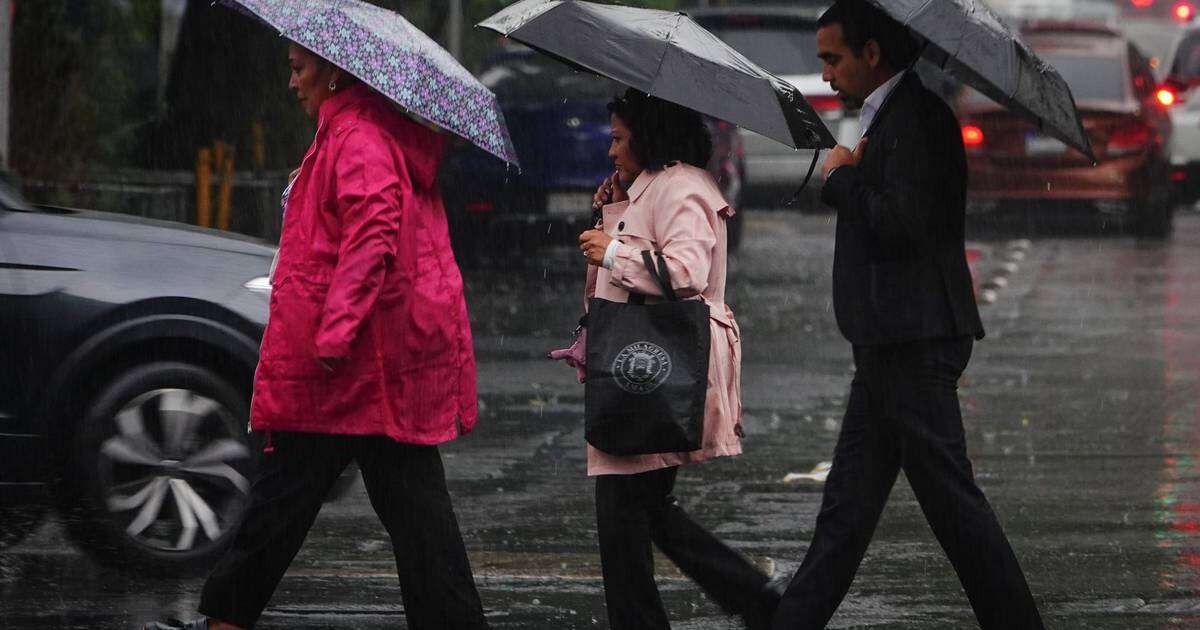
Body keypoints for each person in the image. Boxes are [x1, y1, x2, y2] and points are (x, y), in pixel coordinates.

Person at [145, 42, 488, 630]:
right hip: (372, 367)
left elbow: (374, 230)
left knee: (287, 497)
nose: (292, 82)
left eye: (298, 68)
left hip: (349, 367)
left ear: (333, 72)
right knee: (412, 514)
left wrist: (334, 332)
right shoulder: (356, 131)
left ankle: (226, 619)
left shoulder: (356, 135)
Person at [768, 2, 1044, 629]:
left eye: (833, 58)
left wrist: (841, 179)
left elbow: (903, 222)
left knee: (954, 509)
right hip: (890, 343)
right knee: (847, 514)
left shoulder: (917, 119)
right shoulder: (890, 116)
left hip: (914, 344)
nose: (827, 74)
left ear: (873, 53)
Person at [557, 88, 781, 630]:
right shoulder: (656, 185)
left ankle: (748, 599)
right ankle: (755, 598)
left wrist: (612, 249)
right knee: (642, 510)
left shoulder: (683, 186)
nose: (611, 151)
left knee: (624, 513)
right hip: (642, 367)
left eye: (619, 138)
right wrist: (614, 209)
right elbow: (632, 259)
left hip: (655, 368)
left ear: (648, 136)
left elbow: (684, 273)